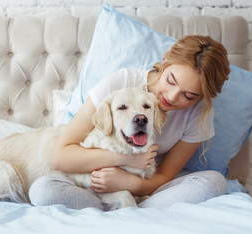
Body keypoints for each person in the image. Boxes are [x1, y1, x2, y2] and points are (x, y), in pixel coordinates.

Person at [29, 35, 231, 211]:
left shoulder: (199, 114)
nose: (171, 97)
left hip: (147, 184)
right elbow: (60, 157)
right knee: (43, 190)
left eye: (188, 95)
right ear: (166, 62)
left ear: (201, 97)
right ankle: (123, 207)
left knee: (215, 182)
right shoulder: (121, 83)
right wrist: (124, 160)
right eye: (170, 81)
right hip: (99, 183)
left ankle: (129, 209)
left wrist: (129, 183)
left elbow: (163, 176)